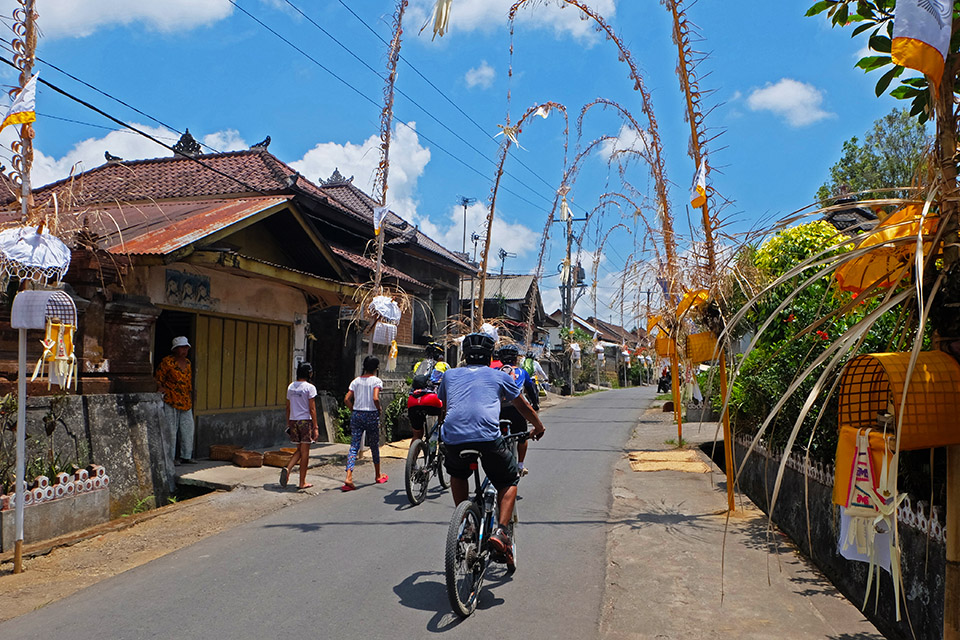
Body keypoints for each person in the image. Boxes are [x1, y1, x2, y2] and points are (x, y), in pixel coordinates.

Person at [438, 333, 545, 569]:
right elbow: (523, 405)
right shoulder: (498, 376)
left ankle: (465, 522)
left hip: (454, 439)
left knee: (458, 473)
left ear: (464, 356)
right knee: (509, 480)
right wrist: (538, 426)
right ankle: (500, 532)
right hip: (487, 439)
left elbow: (445, 407)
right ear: (490, 356)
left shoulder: (449, 375)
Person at [155, 336, 195, 488]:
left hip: (185, 400)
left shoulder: (188, 364)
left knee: (187, 428)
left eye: (186, 348)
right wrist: (161, 388)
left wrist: (191, 396)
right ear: (175, 349)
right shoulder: (167, 362)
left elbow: (189, 382)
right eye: (182, 348)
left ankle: (187, 456)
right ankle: (171, 458)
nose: (184, 350)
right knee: (171, 430)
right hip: (171, 399)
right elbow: (158, 378)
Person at [494, 343, 540, 476]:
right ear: (516, 359)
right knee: (522, 435)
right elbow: (530, 390)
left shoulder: (496, 372)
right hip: (517, 409)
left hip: (498, 409)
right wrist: (535, 404)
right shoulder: (522, 372)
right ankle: (520, 465)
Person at [342, 355, 386, 491]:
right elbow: (375, 398)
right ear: (376, 368)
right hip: (371, 415)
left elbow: (346, 399)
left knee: (354, 445)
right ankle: (378, 475)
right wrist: (379, 409)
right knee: (374, 445)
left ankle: (348, 476)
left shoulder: (356, 381)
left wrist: (353, 410)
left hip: (357, 414)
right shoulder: (376, 381)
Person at [281, 362, 319, 490]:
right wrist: (316, 427)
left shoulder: (291, 387)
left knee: (300, 450)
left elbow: (287, 406)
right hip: (305, 422)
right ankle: (302, 482)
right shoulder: (310, 388)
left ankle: (288, 468)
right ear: (308, 373)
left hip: (293, 421)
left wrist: (288, 422)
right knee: (305, 452)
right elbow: (312, 409)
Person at [406, 342, 448, 442]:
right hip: (433, 399)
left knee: (416, 434)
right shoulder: (443, 365)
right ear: (441, 355)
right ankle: (440, 434)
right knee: (444, 419)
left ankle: (412, 457)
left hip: (413, 400)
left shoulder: (419, 365)